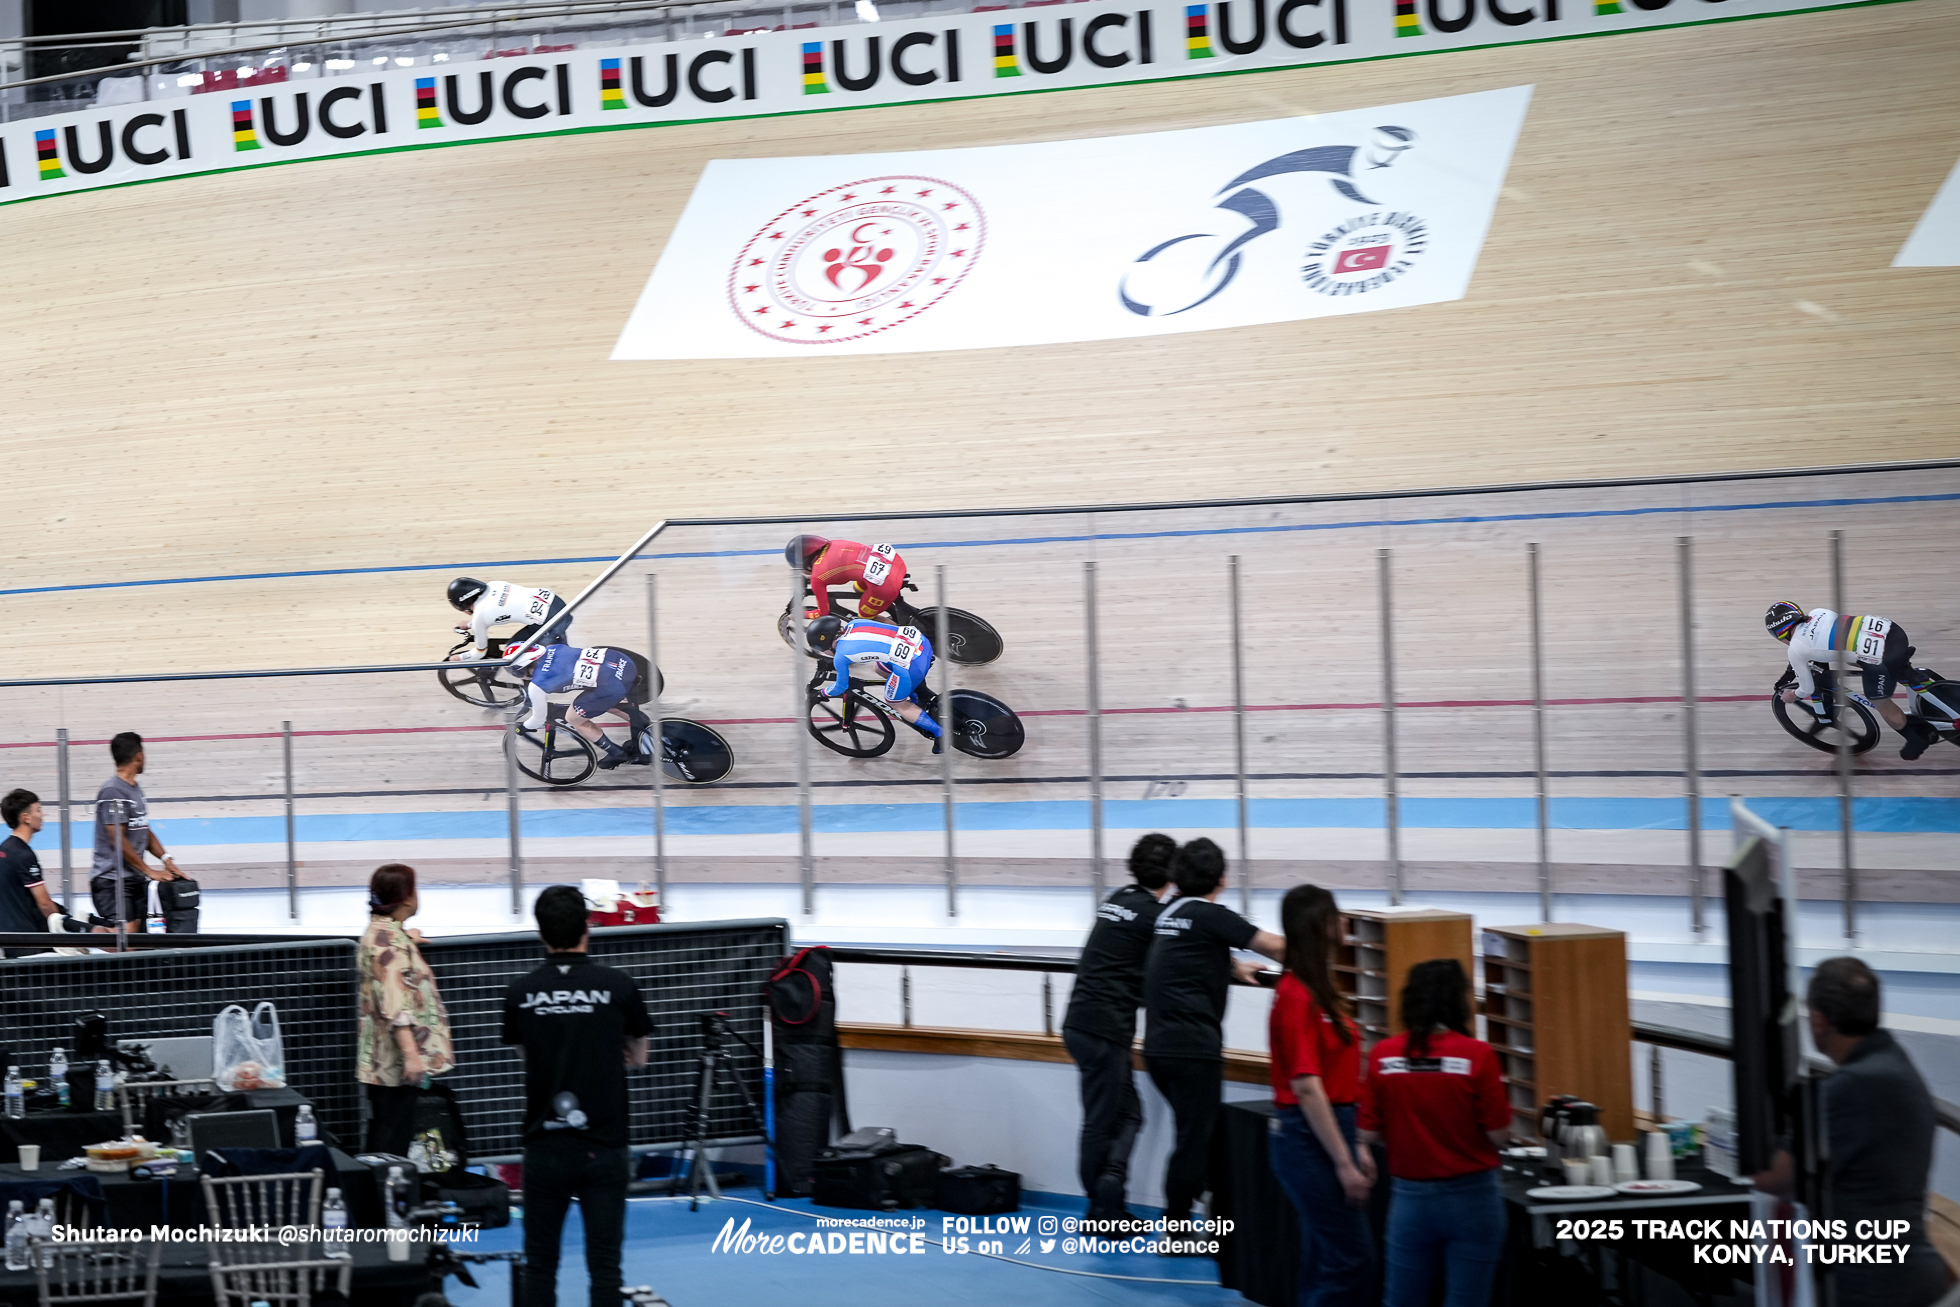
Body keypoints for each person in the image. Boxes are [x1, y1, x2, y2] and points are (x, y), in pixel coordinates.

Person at [1753, 957, 1947, 1307]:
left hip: (1874, 1285)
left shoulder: (1852, 1086)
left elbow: (1776, 1179)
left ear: (1819, 1021)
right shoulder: (1892, 1063)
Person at [502, 885, 651, 1307]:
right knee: (605, 1265)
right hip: (603, 1145)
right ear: (589, 927)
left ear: (540, 934)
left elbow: (526, 1054)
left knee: (540, 1264)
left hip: (545, 1146)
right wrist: (604, 1047)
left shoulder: (520, 991)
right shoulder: (617, 985)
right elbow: (639, 1057)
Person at [1142, 837, 1285, 1241]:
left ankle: (1210, 1209)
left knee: (1196, 1133)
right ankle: (1177, 1229)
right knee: (1193, 1139)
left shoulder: (1169, 912)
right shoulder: (1210, 915)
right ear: (1221, 879)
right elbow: (1273, 946)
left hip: (1159, 1046)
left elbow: (1186, 957)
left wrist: (1229, 967)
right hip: (1192, 1048)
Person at [1357, 958, 1511, 1307]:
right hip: (1473, 1198)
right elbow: (1498, 1133)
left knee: (1401, 1299)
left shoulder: (1383, 1056)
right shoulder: (1478, 1055)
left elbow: (1368, 1133)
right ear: (1460, 1000)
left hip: (1411, 1199)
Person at [1061, 833, 1178, 1225]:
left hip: (1081, 1020)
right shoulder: (1153, 916)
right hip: (1105, 1029)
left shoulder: (1117, 900)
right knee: (1103, 1119)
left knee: (1127, 1115)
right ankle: (1101, 1207)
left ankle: (1109, 1194)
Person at [1268, 885, 1375, 1306]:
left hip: (1333, 1128)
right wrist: (1344, 1162)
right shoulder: (1297, 996)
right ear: (1322, 926)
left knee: (1324, 1254)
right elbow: (1307, 1086)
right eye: (1337, 916)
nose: (1344, 923)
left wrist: (1359, 1142)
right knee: (1350, 1259)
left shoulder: (1319, 990)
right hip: (1308, 1137)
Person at [357, 864, 456, 1152]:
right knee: (391, 1138)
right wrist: (412, 1057)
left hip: (386, 1063)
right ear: (408, 899)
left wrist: (407, 939)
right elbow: (396, 1005)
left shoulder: (385, 936)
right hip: (395, 1065)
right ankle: (383, 1194)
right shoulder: (390, 947)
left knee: (389, 1129)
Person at [1767, 601, 1941, 758]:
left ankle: (1915, 739)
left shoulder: (1795, 649)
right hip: (1892, 631)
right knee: (1850, 650)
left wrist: (1793, 695)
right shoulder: (1818, 612)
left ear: (1779, 635)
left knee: (1878, 700)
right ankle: (1909, 675)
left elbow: (1807, 689)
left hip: (1884, 657)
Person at [90, 732, 187, 933]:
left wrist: (167, 860)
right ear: (139, 755)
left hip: (134, 878)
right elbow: (117, 838)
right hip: (112, 880)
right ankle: (81, 928)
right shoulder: (113, 791)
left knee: (140, 939)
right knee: (126, 939)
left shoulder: (134, 789)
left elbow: (143, 829)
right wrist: (149, 871)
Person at [808, 614, 945, 753]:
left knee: (895, 702)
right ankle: (918, 696)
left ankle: (941, 735)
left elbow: (840, 687)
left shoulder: (840, 657)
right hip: (920, 643)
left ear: (825, 644)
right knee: (879, 668)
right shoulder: (854, 623)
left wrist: (822, 693)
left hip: (913, 664)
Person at [511, 643, 654, 771]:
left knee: (573, 717)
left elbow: (538, 720)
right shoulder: (552, 647)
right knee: (602, 699)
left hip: (611, 685)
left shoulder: (537, 685)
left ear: (522, 669)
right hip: (623, 661)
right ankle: (644, 726)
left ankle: (617, 753)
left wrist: (522, 727)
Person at [785, 535, 910, 623]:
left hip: (886, 583)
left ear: (805, 563)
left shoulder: (817, 578)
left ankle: (897, 633)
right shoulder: (833, 543)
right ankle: (890, 609)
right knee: (858, 588)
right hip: (894, 562)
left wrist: (802, 614)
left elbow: (823, 613)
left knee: (865, 621)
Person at [447, 576, 575, 658]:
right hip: (557, 603)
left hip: (552, 622)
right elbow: (497, 612)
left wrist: (459, 658)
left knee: (512, 654)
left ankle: (530, 693)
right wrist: (471, 624)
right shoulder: (494, 584)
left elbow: (479, 653)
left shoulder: (480, 616)